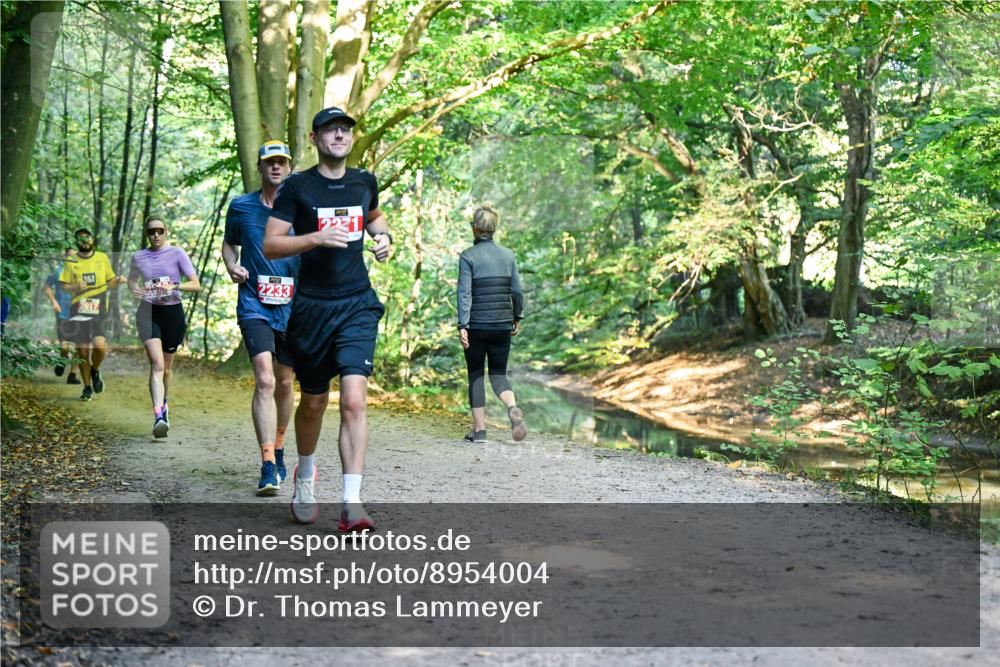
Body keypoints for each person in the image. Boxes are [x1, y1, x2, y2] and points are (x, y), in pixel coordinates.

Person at [264, 106, 392, 532]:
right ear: (316, 139)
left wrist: (383, 238)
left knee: (354, 399)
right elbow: (271, 245)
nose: (339, 135)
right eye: (330, 130)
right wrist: (316, 237)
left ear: (351, 138)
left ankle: (352, 503)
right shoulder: (298, 187)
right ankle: (304, 473)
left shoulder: (363, 181)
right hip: (312, 308)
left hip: (357, 303)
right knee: (315, 402)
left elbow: (373, 215)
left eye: (345, 130)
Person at [222, 140, 298, 495]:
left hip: (294, 307)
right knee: (265, 381)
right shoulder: (241, 206)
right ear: (261, 167)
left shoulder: (302, 209)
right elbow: (229, 243)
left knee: (285, 383)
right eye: (270, 162)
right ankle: (268, 463)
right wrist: (232, 266)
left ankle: (280, 447)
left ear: (290, 167)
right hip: (254, 304)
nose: (276, 167)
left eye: (282, 162)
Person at [457, 205, 527, 443]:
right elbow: (517, 291)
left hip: (476, 325)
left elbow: (464, 294)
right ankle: (512, 409)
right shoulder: (508, 256)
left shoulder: (468, 256)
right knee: (498, 375)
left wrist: (462, 325)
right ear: (493, 229)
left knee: (476, 375)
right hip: (501, 325)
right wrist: (517, 316)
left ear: (475, 228)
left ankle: (479, 431)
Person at [127, 216, 200, 437]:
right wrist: (134, 289)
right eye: (151, 232)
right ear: (146, 234)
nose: (156, 235)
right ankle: (158, 415)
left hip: (173, 314)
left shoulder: (177, 253)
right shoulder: (138, 256)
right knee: (157, 364)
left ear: (166, 231)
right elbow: (132, 280)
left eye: (159, 230)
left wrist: (174, 286)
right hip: (148, 312)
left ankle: (164, 405)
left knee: (167, 368)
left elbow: (196, 285)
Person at [59, 228, 126, 401]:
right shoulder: (71, 260)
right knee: (82, 353)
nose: (85, 242)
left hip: (99, 308)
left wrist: (117, 280)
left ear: (92, 240)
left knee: (100, 346)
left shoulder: (102, 257)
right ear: (77, 242)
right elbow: (63, 286)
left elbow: (109, 281)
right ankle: (87, 387)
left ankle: (95, 370)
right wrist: (75, 287)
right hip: (78, 308)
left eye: (87, 238)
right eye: (80, 240)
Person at [43, 248, 81, 384]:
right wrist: (54, 302)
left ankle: (72, 375)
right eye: (70, 256)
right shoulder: (58, 271)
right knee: (64, 346)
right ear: (64, 257)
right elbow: (46, 287)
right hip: (63, 312)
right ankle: (62, 361)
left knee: (80, 345)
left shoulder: (82, 273)